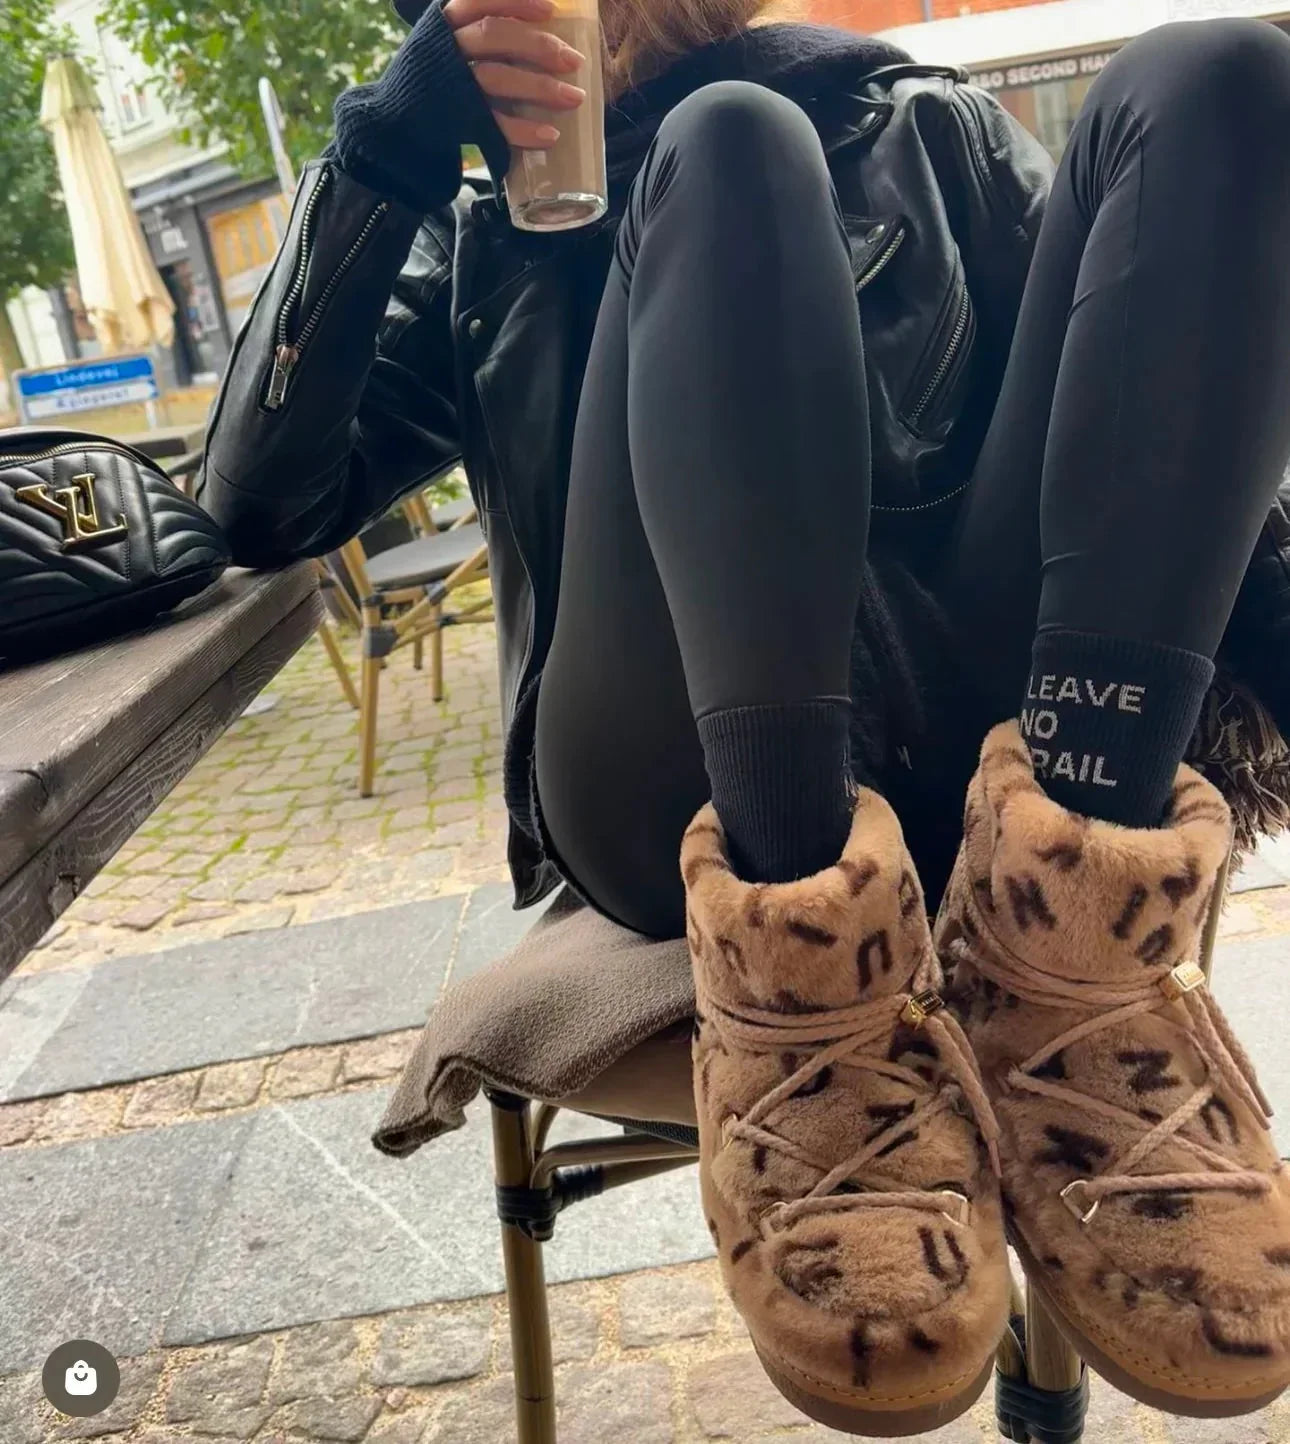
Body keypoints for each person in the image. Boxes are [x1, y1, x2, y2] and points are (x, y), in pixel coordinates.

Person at [198, 0, 1290, 1431]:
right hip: (672, 787)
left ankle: (1076, 963)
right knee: (725, 147)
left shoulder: (923, 129)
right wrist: (383, 153)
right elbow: (257, 506)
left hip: (998, 754)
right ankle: (805, 959)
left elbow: (1152, 423)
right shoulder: (481, 245)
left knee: (1224, 74)